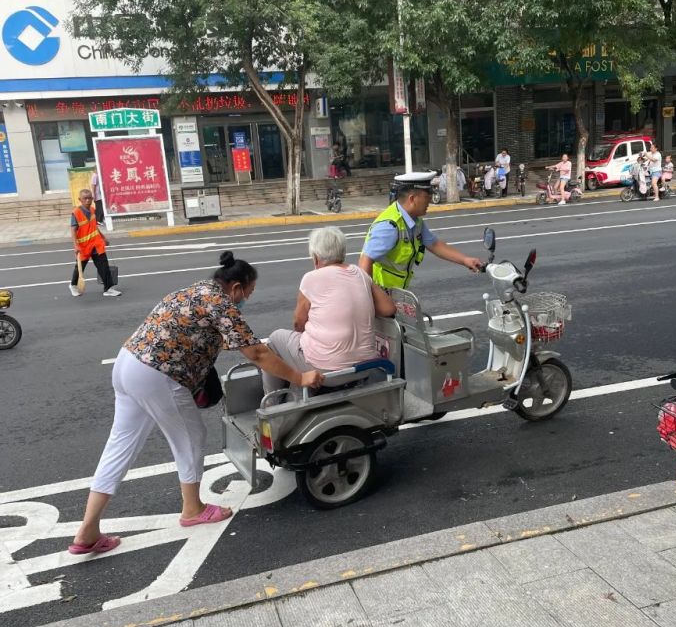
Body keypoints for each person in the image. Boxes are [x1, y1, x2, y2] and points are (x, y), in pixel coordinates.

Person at [68, 252, 323, 555]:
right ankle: (193, 510)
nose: (247, 300)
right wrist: (301, 377)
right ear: (237, 288)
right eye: (249, 293)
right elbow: (257, 354)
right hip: (158, 374)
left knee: (120, 445)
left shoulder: (193, 290)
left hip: (127, 364)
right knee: (190, 438)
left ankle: (88, 529)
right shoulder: (221, 303)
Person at [263, 227, 396, 396]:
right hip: (364, 368)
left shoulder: (311, 278)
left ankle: (271, 403)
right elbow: (388, 308)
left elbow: (298, 323)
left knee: (275, 339)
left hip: (325, 372)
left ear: (316, 257)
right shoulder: (360, 274)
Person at [359, 172, 483, 289]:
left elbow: (434, 244)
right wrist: (371, 296)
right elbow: (365, 260)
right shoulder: (390, 226)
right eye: (426, 195)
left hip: (396, 293)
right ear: (412, 199)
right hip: (381, 293)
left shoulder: (415, 221)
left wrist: (465, 260)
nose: (430, 199)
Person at [69, 188, 122, 297]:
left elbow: (94, 227)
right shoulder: (76, 213)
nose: (88, 200)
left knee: (104, 266)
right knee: (80, 268)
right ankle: (73, 285)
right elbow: (73, 230)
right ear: (80, 199)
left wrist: (103, 237)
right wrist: (76, 245)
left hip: (96, 244)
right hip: (84, 246)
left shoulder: (93, 210)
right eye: (85, 198)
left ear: (93, 199)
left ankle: (108, 288)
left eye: (90, 198)